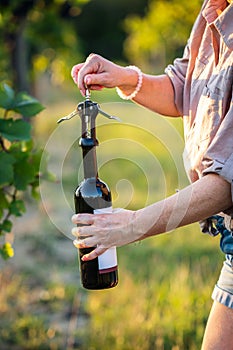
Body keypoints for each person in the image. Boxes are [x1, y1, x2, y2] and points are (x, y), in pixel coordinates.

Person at [70, 0, 233, 348]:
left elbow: (227, 185)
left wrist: (133, 225)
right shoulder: (213, 10)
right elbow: (184, 86)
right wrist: (125, 77)